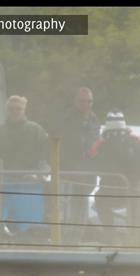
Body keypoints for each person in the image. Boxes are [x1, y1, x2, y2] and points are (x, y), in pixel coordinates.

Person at [88, 110, 140, 231]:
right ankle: (113, 234)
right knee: (101, 200)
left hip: (131, 191)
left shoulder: (134, 144)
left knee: (102, 200)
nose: (116, 138)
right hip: (122, 191)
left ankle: (115, 234)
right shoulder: (137, 144)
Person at [0, 95, 50, 241]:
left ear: (24, 110)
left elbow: (45, 154)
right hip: (6, 183)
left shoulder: (36, 129)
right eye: (12, 109)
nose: (15, 111)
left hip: (30, 185)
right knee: (4, 225)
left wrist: (40, 173)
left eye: (18, 109)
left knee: (31, 227)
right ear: (7, 110)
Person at [54, 87, 101, 241]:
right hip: (68, 173)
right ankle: (64, 245)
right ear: (75, 101)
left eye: (89, 101)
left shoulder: (94, 120)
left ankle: (75, 243)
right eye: (82, 101)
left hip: (86, 174)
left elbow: (94, 145)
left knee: (81, 214)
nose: (86, 104)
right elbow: (61, 144)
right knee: (66, 213)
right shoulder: (65, 119)